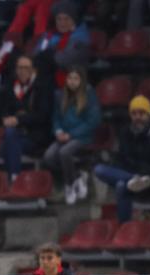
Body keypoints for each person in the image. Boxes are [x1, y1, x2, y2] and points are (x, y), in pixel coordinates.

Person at [94, 95, 150, 222]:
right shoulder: (126, 133)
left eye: (142, 113)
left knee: (121, 185)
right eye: (134, 114)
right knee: (99, 169)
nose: (138, 117)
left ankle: (124, 224)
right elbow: (123, 159)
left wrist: (145, 171)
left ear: (149, 114)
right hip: (132, 177)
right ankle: (134, 181)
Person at [43, 67, 100, 204]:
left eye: (76, 79)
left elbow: (93, 121)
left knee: (64, 153)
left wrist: (71, 134)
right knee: (48, 157)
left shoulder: (89, 95)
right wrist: (58, 131)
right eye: (70, 78)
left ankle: (69, 185)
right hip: (64, 136)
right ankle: (78, 176)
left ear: (81, 80)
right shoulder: (60, 96)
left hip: (82, 136)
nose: (72, 82)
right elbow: (56, 117)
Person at [0, 54, 53, 180]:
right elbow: (5, 110)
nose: (22, 71)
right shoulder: (11, 86)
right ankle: (14, 178)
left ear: (33, 70)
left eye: (26, 68)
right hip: (17, 133)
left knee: (9, 140)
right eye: (19, 68)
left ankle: (13, 179)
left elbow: (42, 115)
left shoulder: (42, 87)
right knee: (9, 139)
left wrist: (19, 119)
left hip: (36, 135)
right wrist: (6, 118)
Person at [33, 1, 90, 88]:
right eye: (59, 19)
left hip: (70, 81)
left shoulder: (80, 39)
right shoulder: (48, 35)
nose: (62, 23)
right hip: (47, 79)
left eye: (66, 19)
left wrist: (48, 54)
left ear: (74, 20)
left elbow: (64, 61)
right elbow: (35, 54)